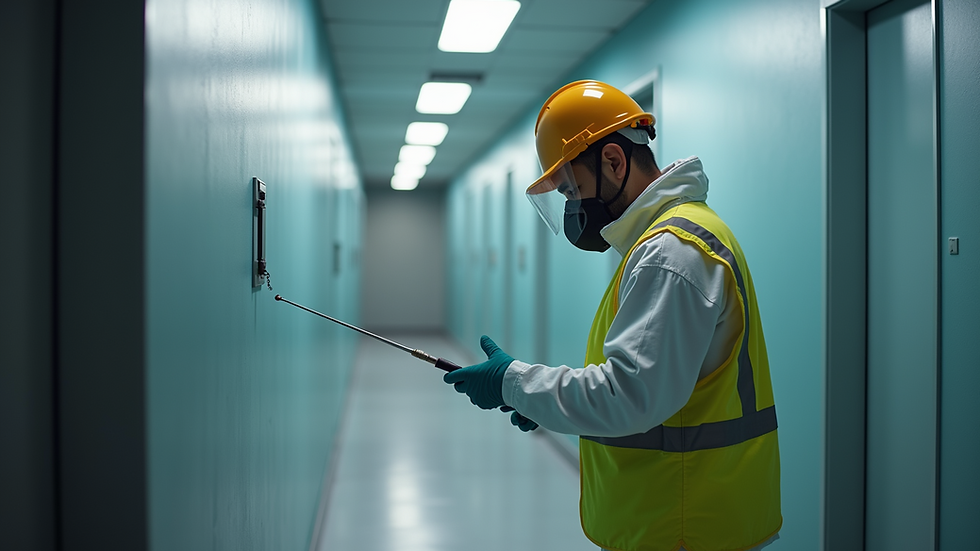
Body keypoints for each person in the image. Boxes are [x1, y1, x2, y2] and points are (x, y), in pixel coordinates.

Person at [444, 80, 781, 551]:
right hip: (685, 512)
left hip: (682, 522)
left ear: (614, 162)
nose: (572, 207)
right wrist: (539, 402)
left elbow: (629, 395)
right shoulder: (672, 239)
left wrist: (512, 382)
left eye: (571, 189)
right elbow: (654, 385)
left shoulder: (671, 253)